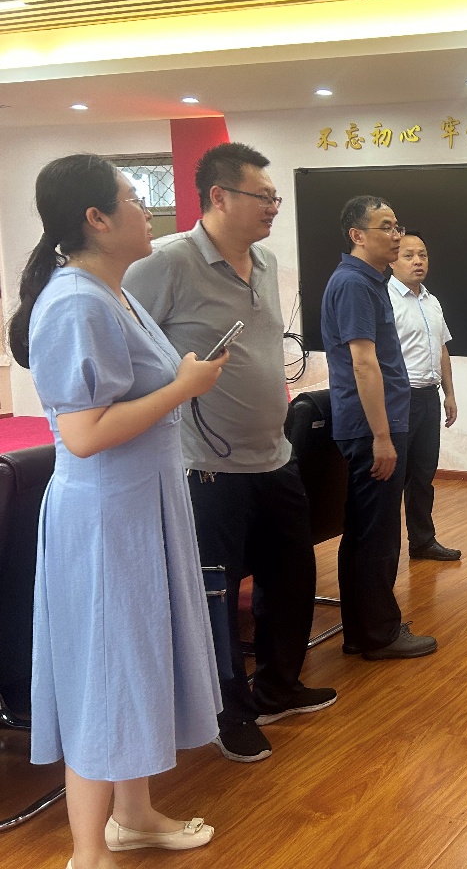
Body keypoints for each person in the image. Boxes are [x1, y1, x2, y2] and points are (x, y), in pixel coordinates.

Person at [8, 154, 224, 867]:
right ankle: (88, 852)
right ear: (96, 219)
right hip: (105, 517)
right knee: (104, 671)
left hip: (139, 506)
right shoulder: (75, 303)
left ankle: (132, 816)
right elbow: (83, 433)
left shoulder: (111, 293)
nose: (148, 210)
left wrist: (181, 379)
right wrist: (184, 386)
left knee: (135, 660)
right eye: (134, 198)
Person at [124, 142, 335, 765]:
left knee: (291, 579)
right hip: (207, 467)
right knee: (214, 598)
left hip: (274, 455)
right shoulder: (166, 264)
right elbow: (128, 354)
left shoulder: (265, 262)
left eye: (275, 197)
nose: (273, 206)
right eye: (261, 196)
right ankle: (227, 712)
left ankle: (278, 688)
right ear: (218, 196)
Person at [321, 196, 438, 660]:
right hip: (374, 428)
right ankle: (378, 634)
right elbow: (364, 363)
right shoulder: (354, 283)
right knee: (377, 535)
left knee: (366, 531)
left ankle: (362, 630)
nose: (396, 235)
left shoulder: (367, 281)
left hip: (377, 424)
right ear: (357, 235)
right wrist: (383, 437)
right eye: (386, 227)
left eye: (397, 226)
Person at [388, 230, 461, 561]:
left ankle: (422, 541)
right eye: (409, 255)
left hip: (429, 397)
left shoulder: (432, 301)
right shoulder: (385, 299)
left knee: (423, 474)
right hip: (398, 399)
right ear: (392, 260)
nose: (418, 261)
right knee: (393, 479)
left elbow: (441, 349)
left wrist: (449, 394)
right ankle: (385, 548)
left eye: (423, 255)